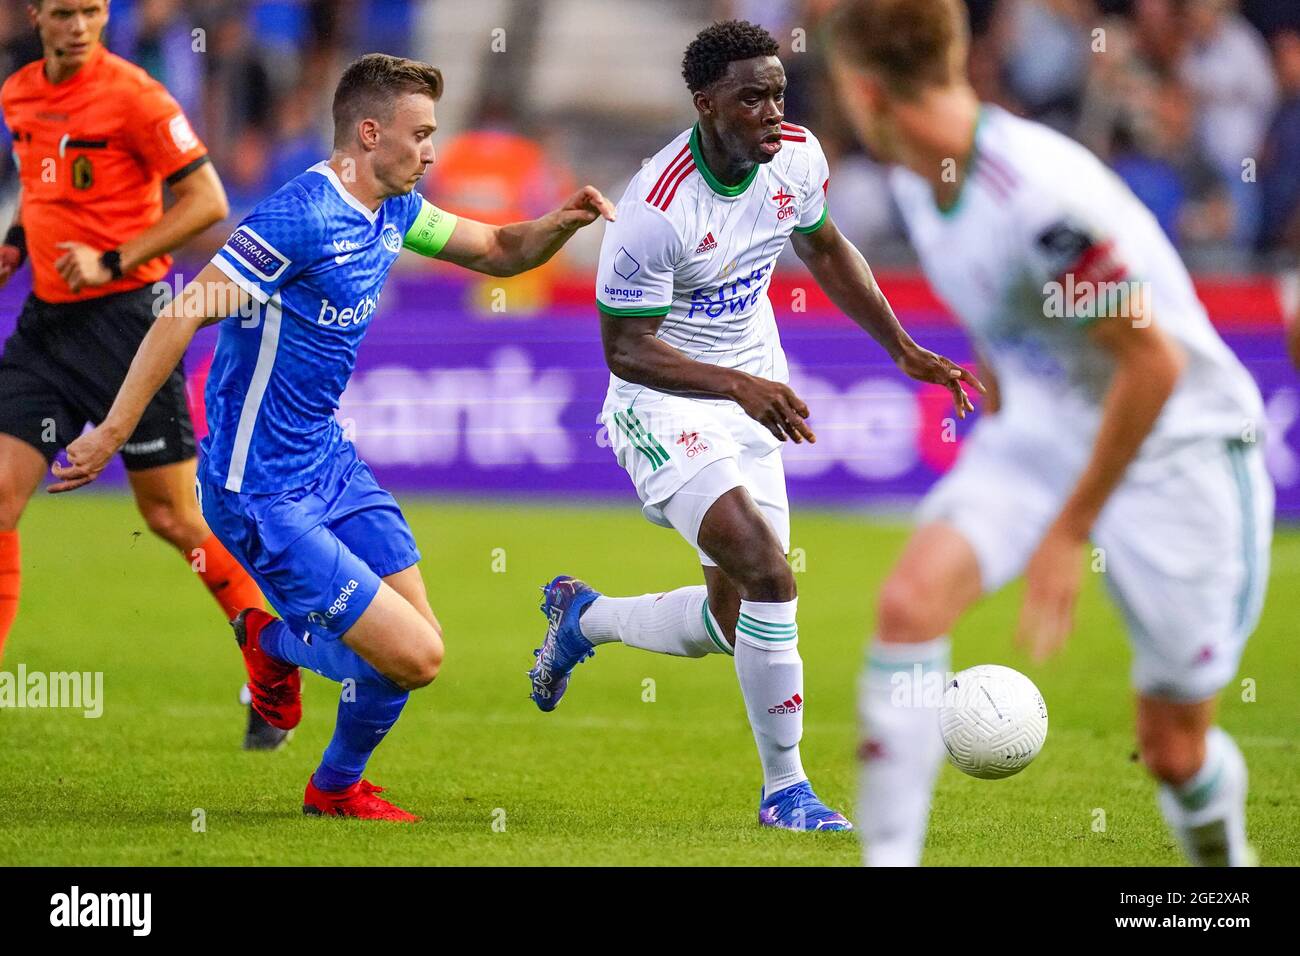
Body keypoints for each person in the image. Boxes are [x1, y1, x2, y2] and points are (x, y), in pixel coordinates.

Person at [50, 53, 614, 821]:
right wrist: (114, 429)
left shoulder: (395, 207)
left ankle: (334, 787)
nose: (431, 151)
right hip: (260, 490)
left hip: (329, 463)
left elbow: (499, 251)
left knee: (414, 648)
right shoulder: (300, 217)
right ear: (370, 132)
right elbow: (183, 311)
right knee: (416, 656)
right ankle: (272, 644)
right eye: (420, 135)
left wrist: (560, 223)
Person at [829, 0, 1272, 865]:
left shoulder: (1038, 199)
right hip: (1041, 430)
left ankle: (1225, 884)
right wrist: (1001, 406)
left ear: (867, 91)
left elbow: (1151, 365)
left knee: (1176, 751)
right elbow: (1005, 309)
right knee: (909, 606)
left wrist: (1069, 528)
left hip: (1171, 449)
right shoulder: (922, 181)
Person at [528, 20, 980, 833]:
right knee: (772, 575)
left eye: (778, 91)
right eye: (752, 98)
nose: (774, 111)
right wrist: (739, 385)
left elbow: (829, 249)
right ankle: (788, 792)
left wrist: (905, 350)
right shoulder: (654, 210)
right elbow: (627, 351)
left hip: (749, 394)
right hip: (664, 406)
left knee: (732, 622)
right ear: (706, 104)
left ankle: (583, 618)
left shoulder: (797, 157)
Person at [0, 0, 278, 747]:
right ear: (37, 14)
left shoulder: (137, 97)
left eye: (93, 9)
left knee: (172, 519)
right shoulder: (18, 91)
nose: (81, 24)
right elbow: (43, 178)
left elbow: (207, 201)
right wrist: (18, 241)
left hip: (131, 324)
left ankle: (268, 663)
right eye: (64, 12)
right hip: (49, 324)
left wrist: (112, 260)